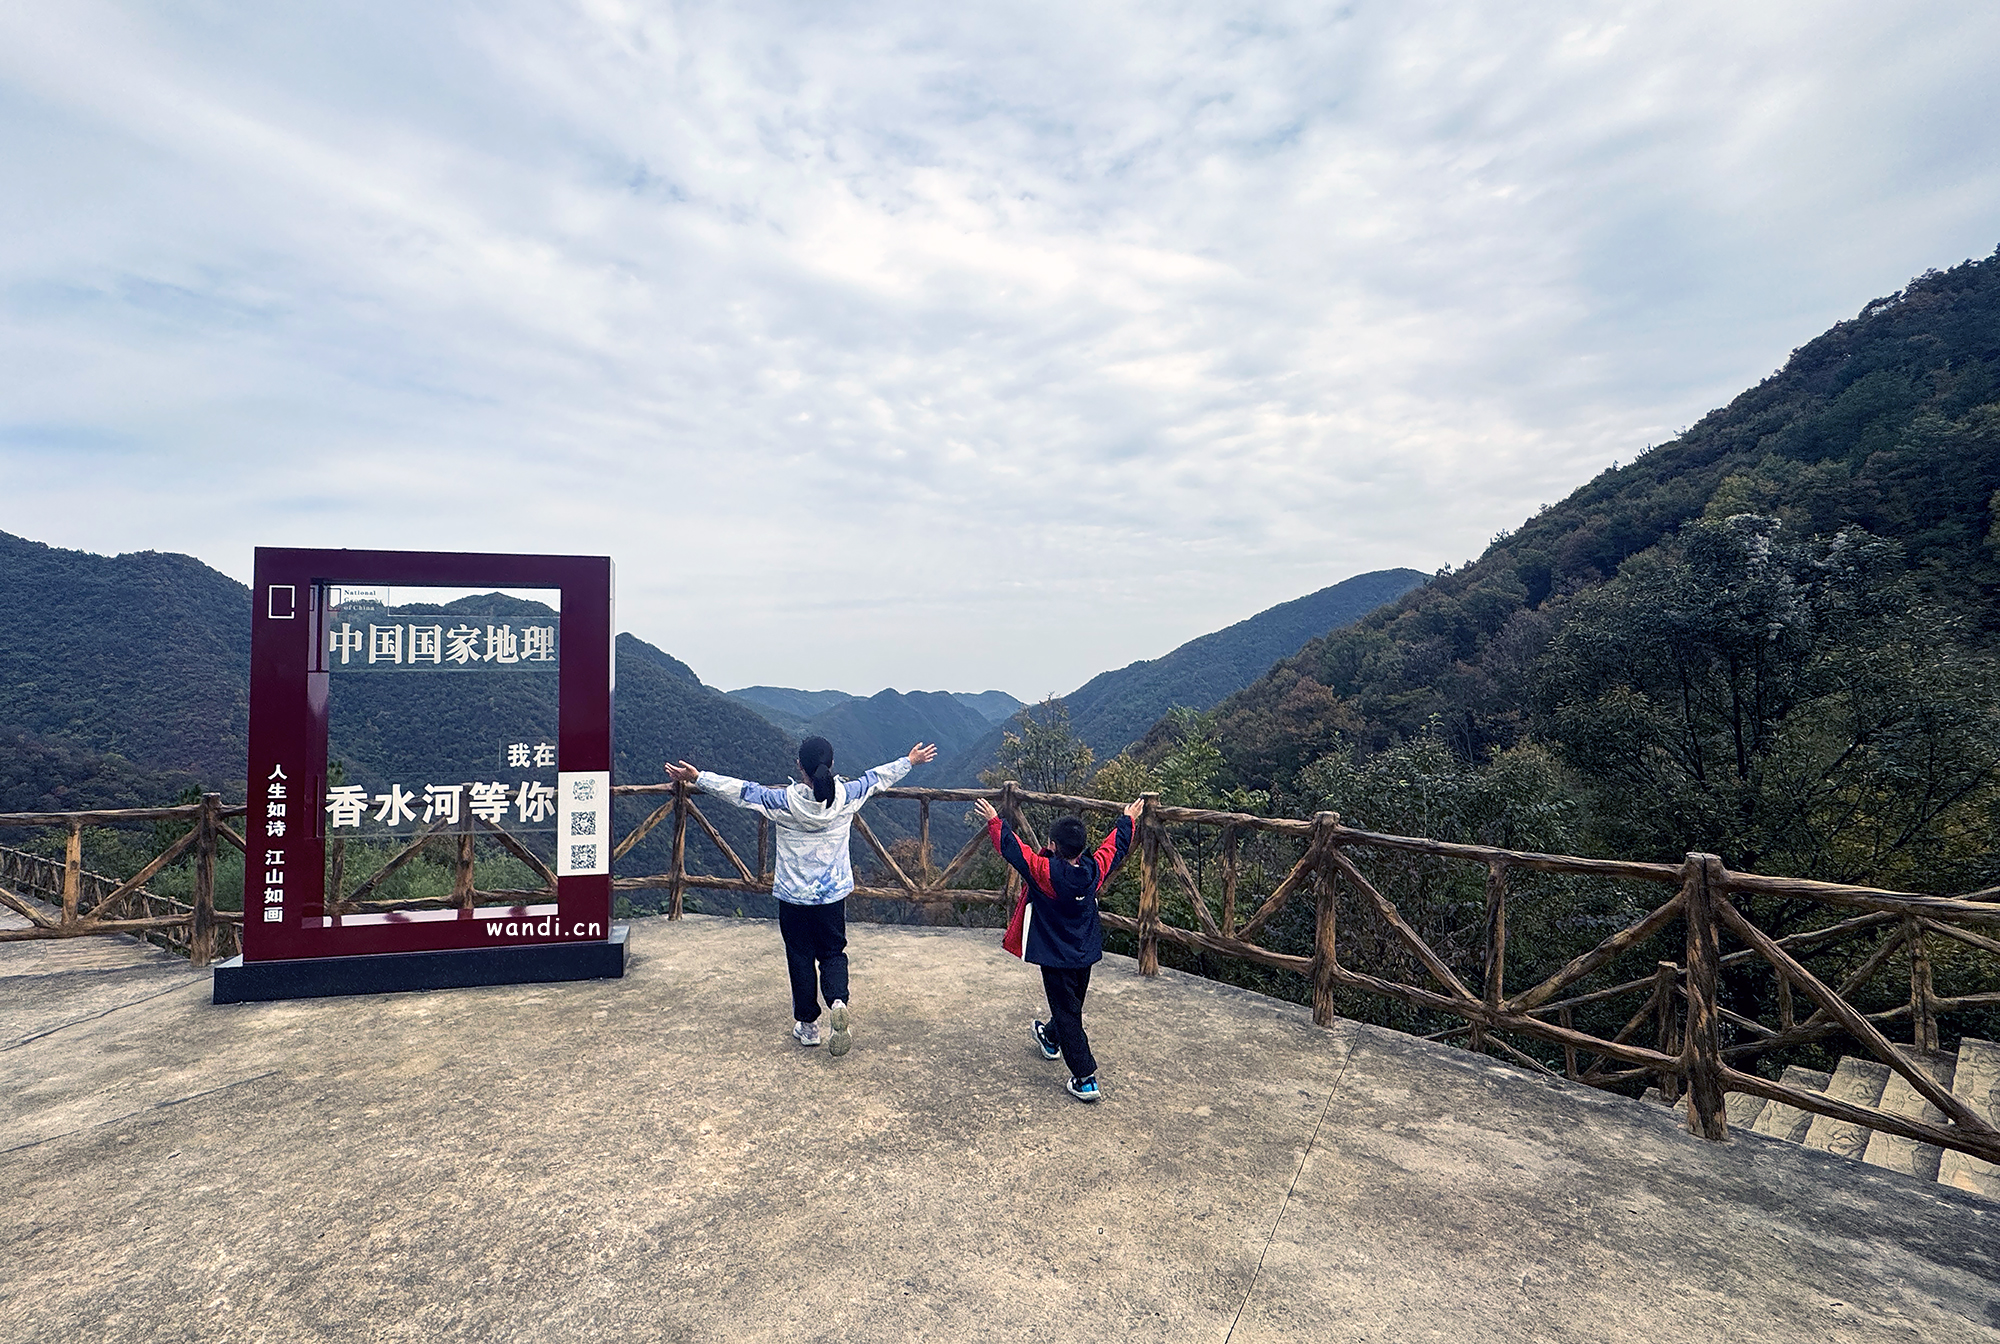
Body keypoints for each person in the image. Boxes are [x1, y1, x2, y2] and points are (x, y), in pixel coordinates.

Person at [666, 737, 937, 1056]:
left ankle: (808, 1026)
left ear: (799, 766)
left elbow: (741, 791)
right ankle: (838, 1001)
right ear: (831, 765)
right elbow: (876, 778)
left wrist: (698, 778)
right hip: (832, 896)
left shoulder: (782, 802)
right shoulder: (846, 797)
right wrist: (909, 761)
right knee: (834, 952)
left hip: (794, 897)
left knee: (800, 957)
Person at [974, 796, 1140, 1102]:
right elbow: (1113, 848)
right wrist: (1127, 819)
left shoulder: (1044, 871)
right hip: (1084, 952)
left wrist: (995, 820)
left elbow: (1014, 850)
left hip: (1055, 955)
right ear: (1081, 848)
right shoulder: (1093, 870)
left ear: (1052, 844)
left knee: (1068, 1011)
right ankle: (1050, 1039)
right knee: (1070, 1005)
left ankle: (1085, 1077)